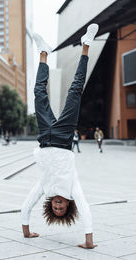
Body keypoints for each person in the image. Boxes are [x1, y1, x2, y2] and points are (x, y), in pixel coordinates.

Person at [21, 24, 99, 249]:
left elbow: (27, 205)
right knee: (75, 91)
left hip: (45, 136)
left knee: (38, 93)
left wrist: (26, 232)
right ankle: (86, 45)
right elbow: (84, 207)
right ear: (67, 204)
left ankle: (43, 53)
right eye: (61, 208)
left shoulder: (44, 188)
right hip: (64, 137)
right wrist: (88, 241)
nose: (57, 206)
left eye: (55, 208)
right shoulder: (71, 189)